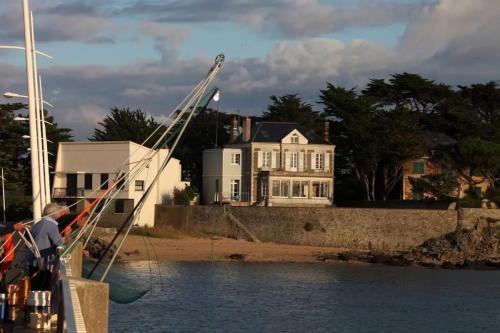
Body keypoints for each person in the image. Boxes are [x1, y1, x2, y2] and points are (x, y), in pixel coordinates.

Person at [24, 203, 65, 291]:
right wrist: (64, 240)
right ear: (55, 213)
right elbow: (58, 243)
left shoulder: (39, 223)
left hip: (33, 260)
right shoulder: (51, 225)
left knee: (34, 287)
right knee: (43, 288)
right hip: (42, 262)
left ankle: (34, 303)